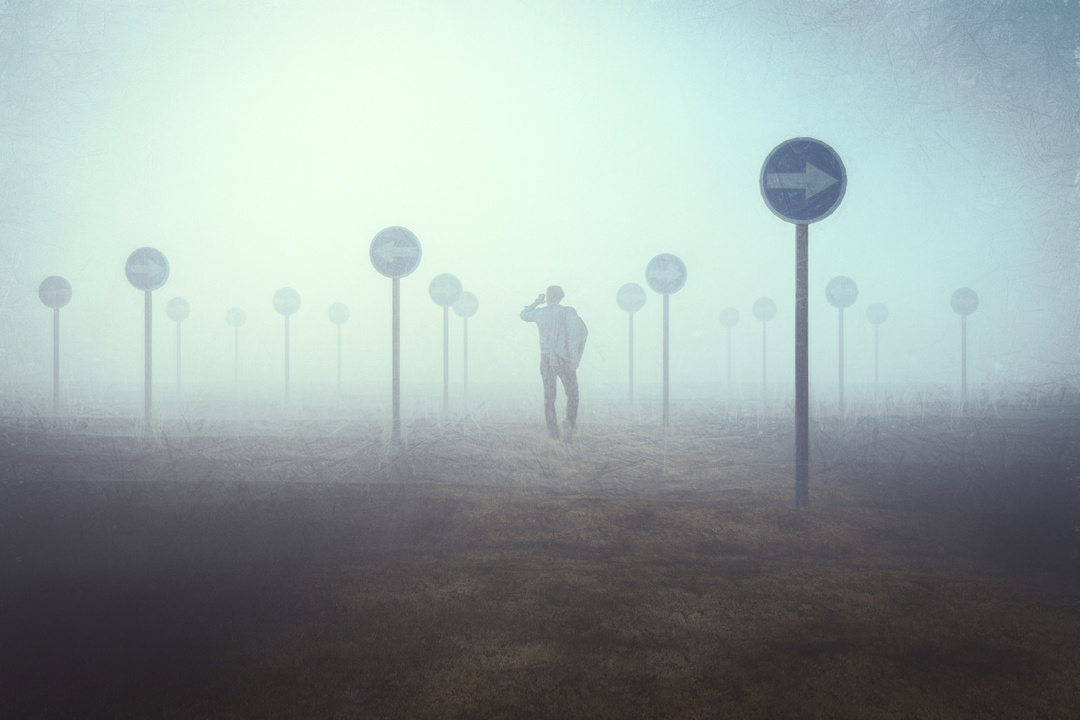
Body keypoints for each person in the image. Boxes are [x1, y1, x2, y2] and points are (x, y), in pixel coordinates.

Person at [520, 285, 587, 441]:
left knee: (549, 398)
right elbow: (579, 332)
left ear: (548, 297)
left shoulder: (540, 313)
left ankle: (554, 433)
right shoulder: (567, 313)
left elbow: (523, 314)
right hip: (564, 358)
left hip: (546, 359)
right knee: (573, 394)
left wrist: (537, 301)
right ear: (561, 297)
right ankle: (569, 423)